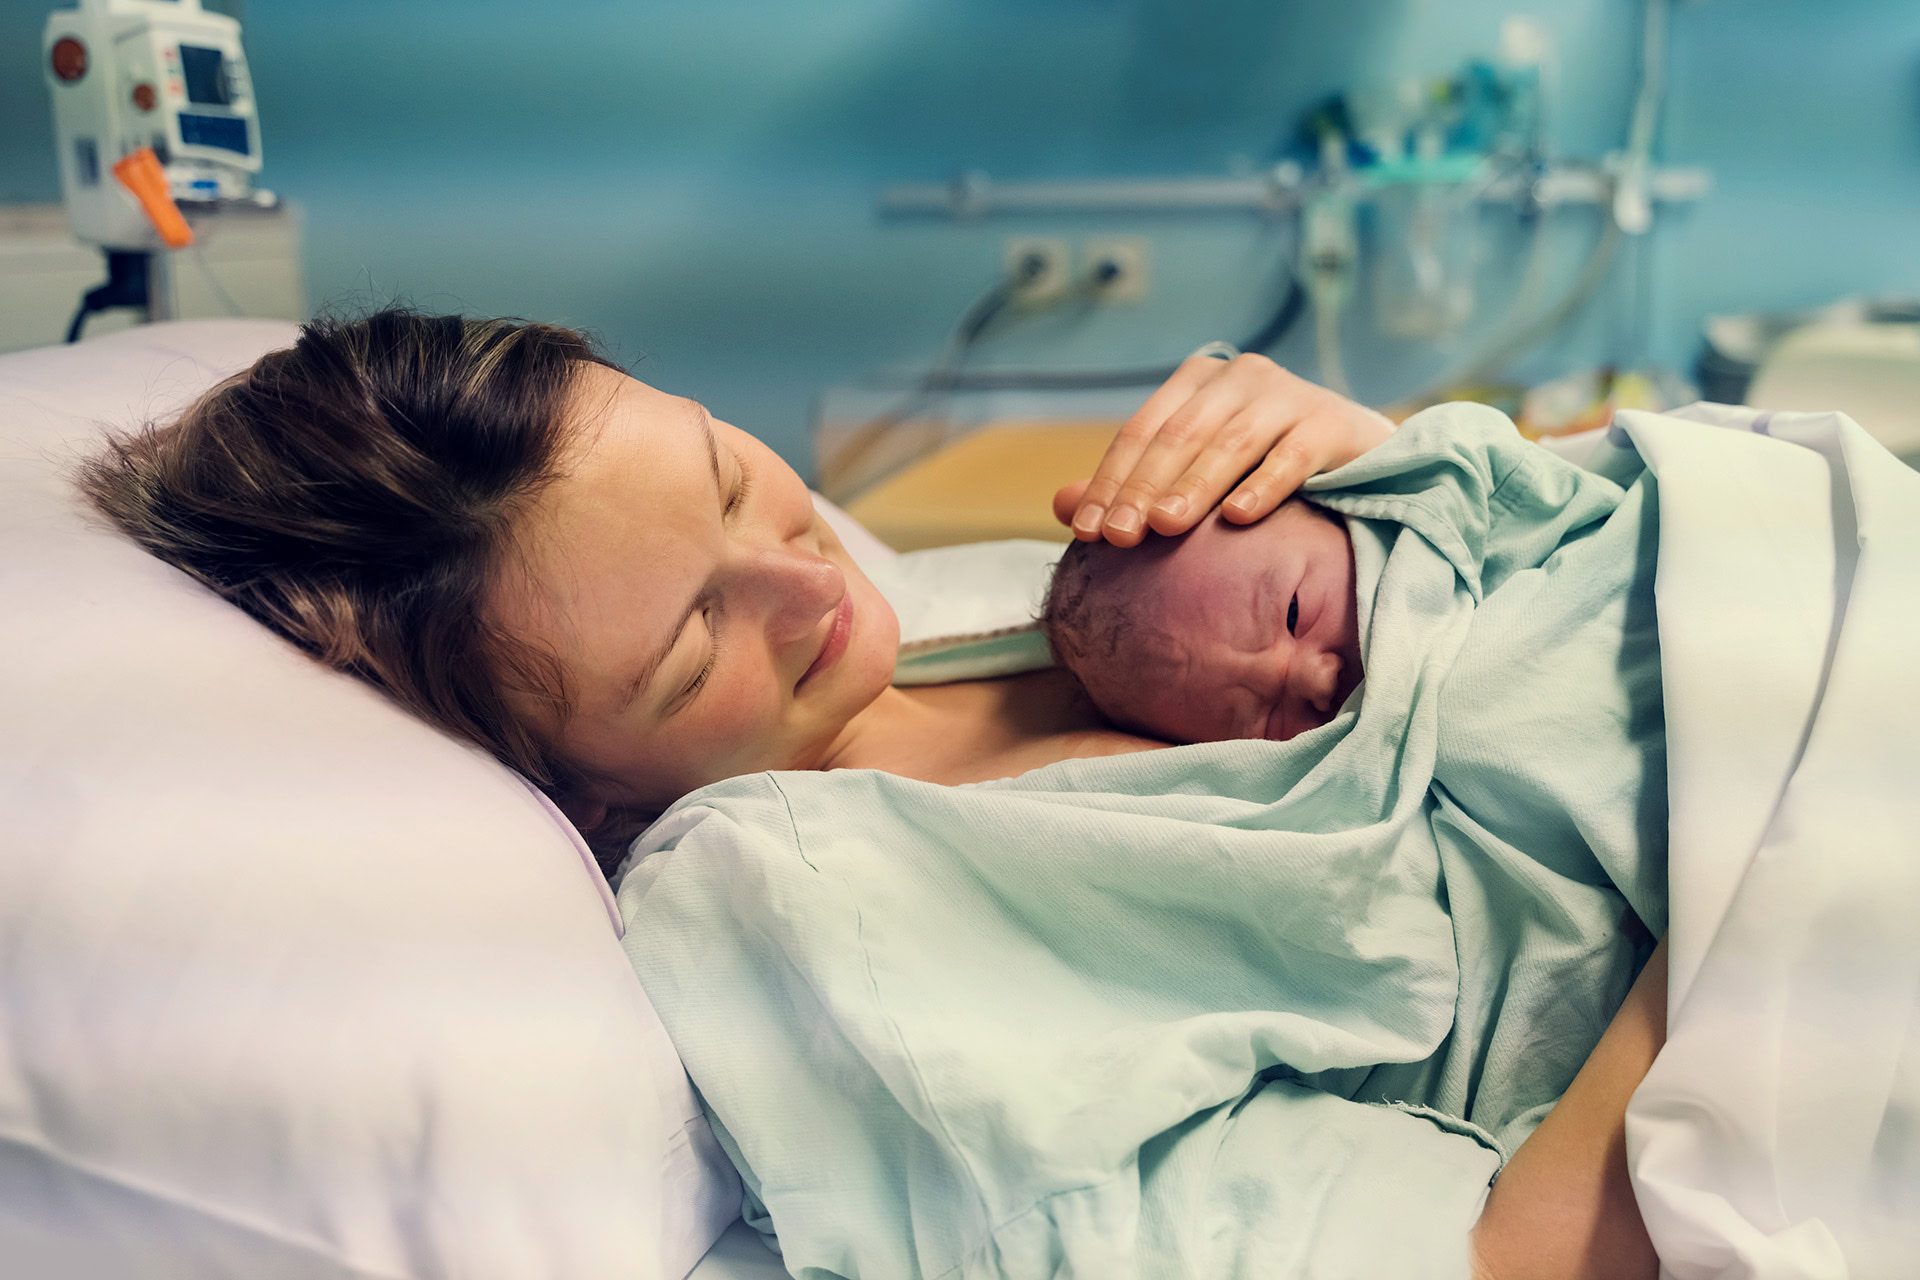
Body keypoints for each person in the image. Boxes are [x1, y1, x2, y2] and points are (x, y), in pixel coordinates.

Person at [79, 308, 1661, 1279]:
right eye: (697, 634)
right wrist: (1774, 864)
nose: (801, 568)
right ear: (587, 792)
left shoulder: (979, 611)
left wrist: (1398, 470)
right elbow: (1498, 1261)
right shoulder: (822, 919)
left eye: (721, 472)